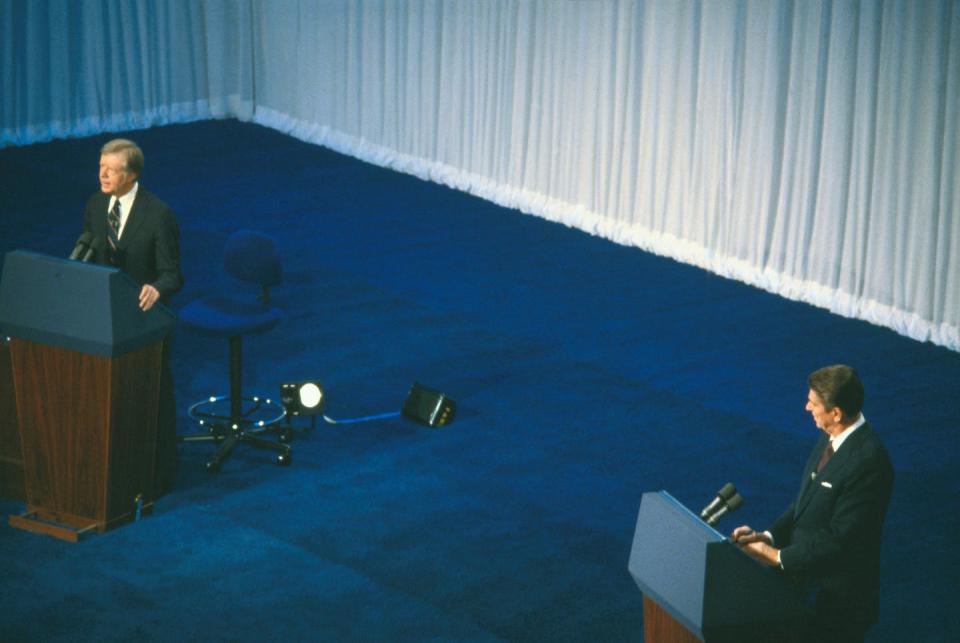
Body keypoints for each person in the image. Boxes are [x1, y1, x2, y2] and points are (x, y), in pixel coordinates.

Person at [732, 365, 894, 642]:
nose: (807, 407)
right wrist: (769, 537)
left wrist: (777, 557)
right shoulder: (830, 437)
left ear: (836, 413)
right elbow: (805, 502)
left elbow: (841, 539)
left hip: (838, 604)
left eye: (813, 403)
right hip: (805, 588)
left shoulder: (869, 463)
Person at [82, 138, 184, 496]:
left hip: (144, 320)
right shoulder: (96, 205)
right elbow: (89, 253)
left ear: (133, 174)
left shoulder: (158, 214)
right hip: (105, 316)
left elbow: (172, 273)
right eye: (100, 167)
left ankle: (158, 474)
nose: (103, 175)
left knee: (152, 394)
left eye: (112, 169)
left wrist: (157, 289)